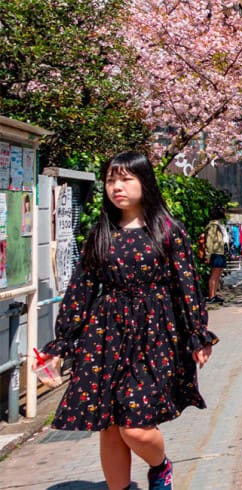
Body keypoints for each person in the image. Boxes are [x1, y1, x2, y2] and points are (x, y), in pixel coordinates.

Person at [34, 151, 217, 490]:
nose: (117, 187)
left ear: (144, 182)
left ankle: (160, 466)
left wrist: (196, 335)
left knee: (135, 425)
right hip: (105, 335)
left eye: (126, 179)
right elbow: (82, 288)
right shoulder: (100, 233)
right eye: (111, 180)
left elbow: (186, 286)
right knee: (110, 424)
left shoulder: (167, 230)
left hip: (155, 335)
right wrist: (62, 342)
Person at [204, 208, 228, 304]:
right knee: (214, 275)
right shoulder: (213, 226)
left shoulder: (218, 225)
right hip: (215, 252)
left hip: (220, 252)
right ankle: (211, 295)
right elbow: (209, 241)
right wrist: (208, 255)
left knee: (218, 275)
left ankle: (214, 294)